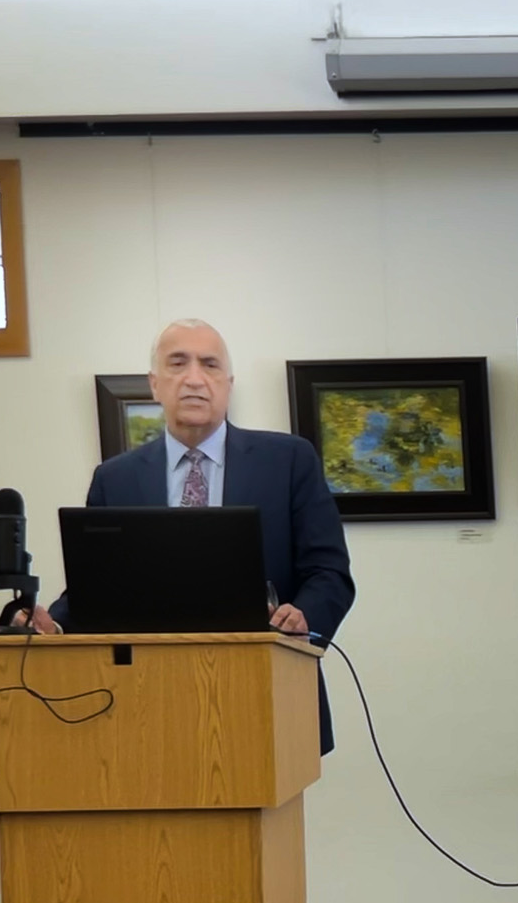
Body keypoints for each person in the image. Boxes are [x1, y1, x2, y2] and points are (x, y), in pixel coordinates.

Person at [29, 321, 355, 756]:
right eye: (178, 363)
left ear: (228, 383)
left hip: (267, 691)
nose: (195, 378)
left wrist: (303, 618)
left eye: (210, 364)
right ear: (155, 384)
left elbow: (330, 573)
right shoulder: (115, 478)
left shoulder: (289, 461)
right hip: (143, 702)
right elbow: (97, 590)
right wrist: (53, 623)